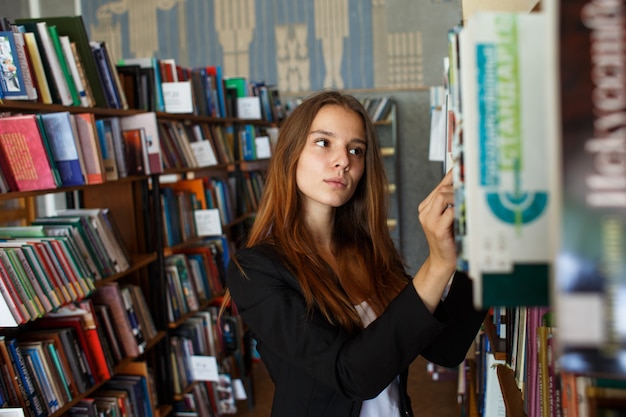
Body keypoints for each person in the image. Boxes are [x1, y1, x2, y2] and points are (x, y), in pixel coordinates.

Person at [224, 90, 486, 417]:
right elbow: (353, 374)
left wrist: (482, 246)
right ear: (290, 153)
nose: (343, 160)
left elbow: (445, 349)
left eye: (356, 150)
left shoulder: (368, 252)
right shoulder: (255, 271)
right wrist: (438, 265)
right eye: (323, 142)